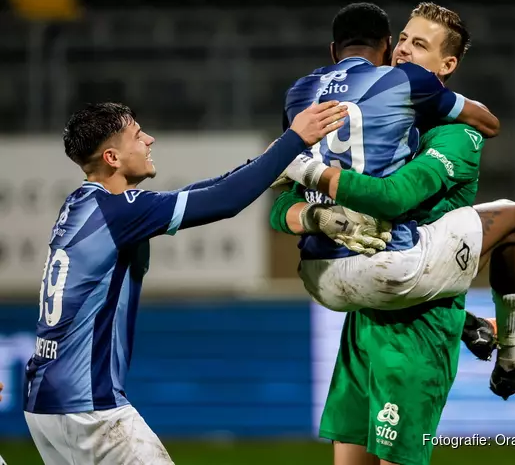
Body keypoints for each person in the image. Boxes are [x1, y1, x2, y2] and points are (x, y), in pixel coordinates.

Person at [272, 2, 515, 465]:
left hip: (416, 326)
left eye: (421, 45)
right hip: (365, 318)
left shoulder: (454, 134)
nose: (406, 50)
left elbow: (397, 197)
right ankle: (497, 344)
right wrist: (314, 216)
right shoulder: (373, 118)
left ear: (446, 66)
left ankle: (505, 354)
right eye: (404, 39)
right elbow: (283, 207)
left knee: (512, 215)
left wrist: (312, 173)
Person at [22, 101, 349, 465]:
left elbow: (200, 194)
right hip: (88, 408)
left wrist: (265, 163)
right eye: (136, 134)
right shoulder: (119, 212)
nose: (150, 139)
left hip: (44, 402)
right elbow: (223, 201)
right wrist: (293, 141)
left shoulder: (87, 205)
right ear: (112, 157)